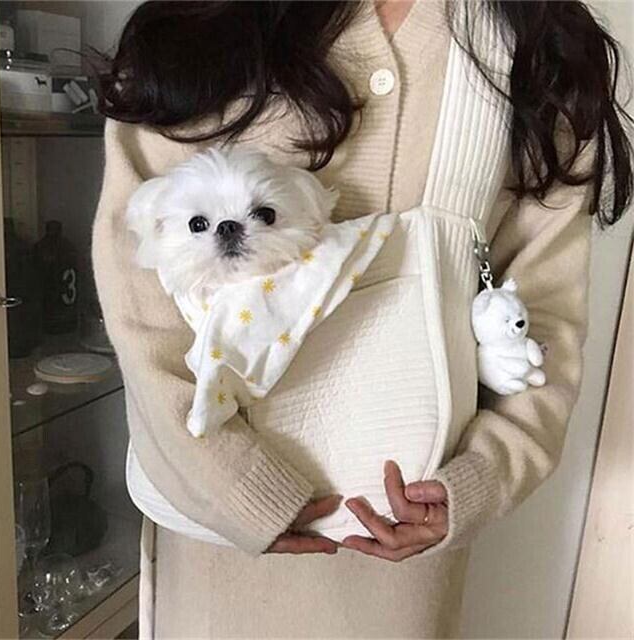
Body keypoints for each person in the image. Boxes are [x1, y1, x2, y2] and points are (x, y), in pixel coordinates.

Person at [92, 0, 632, 636]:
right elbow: (139, 293)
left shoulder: (538, 44)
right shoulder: (201, 21)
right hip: (219, 549)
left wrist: (484, 475)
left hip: (405, 563)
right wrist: (233, 483)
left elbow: (542, 316)